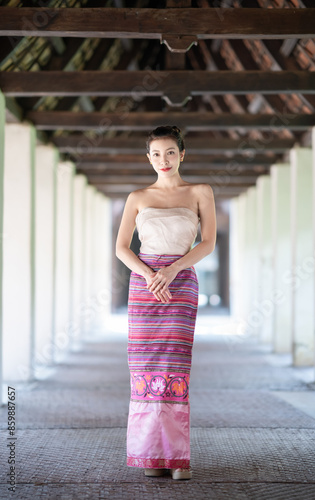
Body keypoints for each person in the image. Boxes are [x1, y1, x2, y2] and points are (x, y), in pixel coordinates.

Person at [115, 125, 216, 480]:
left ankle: (176, 458)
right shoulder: (137, 197)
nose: (163, 160)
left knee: (174, 368)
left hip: (180, 283)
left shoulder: (200, 192)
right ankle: (150, 455)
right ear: (148, 157)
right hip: (144, 286)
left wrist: (172, 269)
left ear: (182, 154)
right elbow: (122, 248)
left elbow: (207, 244)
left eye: (170, 152)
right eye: (156, 154)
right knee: (144, 368)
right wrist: (148, 274)